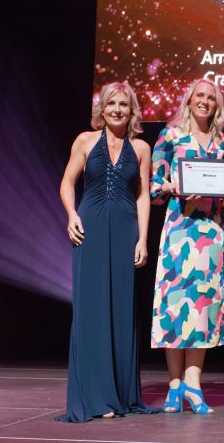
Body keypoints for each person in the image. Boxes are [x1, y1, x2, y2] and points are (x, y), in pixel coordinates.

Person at [57, 81, 154, 422]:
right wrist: (71, 215)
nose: (117, 110)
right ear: (102, 108)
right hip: (91, 230)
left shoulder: (141, 148)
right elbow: (68, 182)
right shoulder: (84, 140)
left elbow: (143, 195)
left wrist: (142, 239)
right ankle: (93, 397)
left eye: (123, 105)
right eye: (111, 103)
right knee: (91, 310)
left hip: (125, 230)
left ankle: (120, 395)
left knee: (121, 311)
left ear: (132, 111)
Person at [150, 78, 224, 415]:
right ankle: (174, 386)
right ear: (188, 100)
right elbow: (154, 185)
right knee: (176, 307)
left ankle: (194, 384)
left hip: (213, 234)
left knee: (203, 309)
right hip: (180, 232)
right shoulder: (170, 136)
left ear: (217, 104)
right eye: (199, 96)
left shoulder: (223, 141)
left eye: (210, 98)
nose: (205, 102)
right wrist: (172, 186)